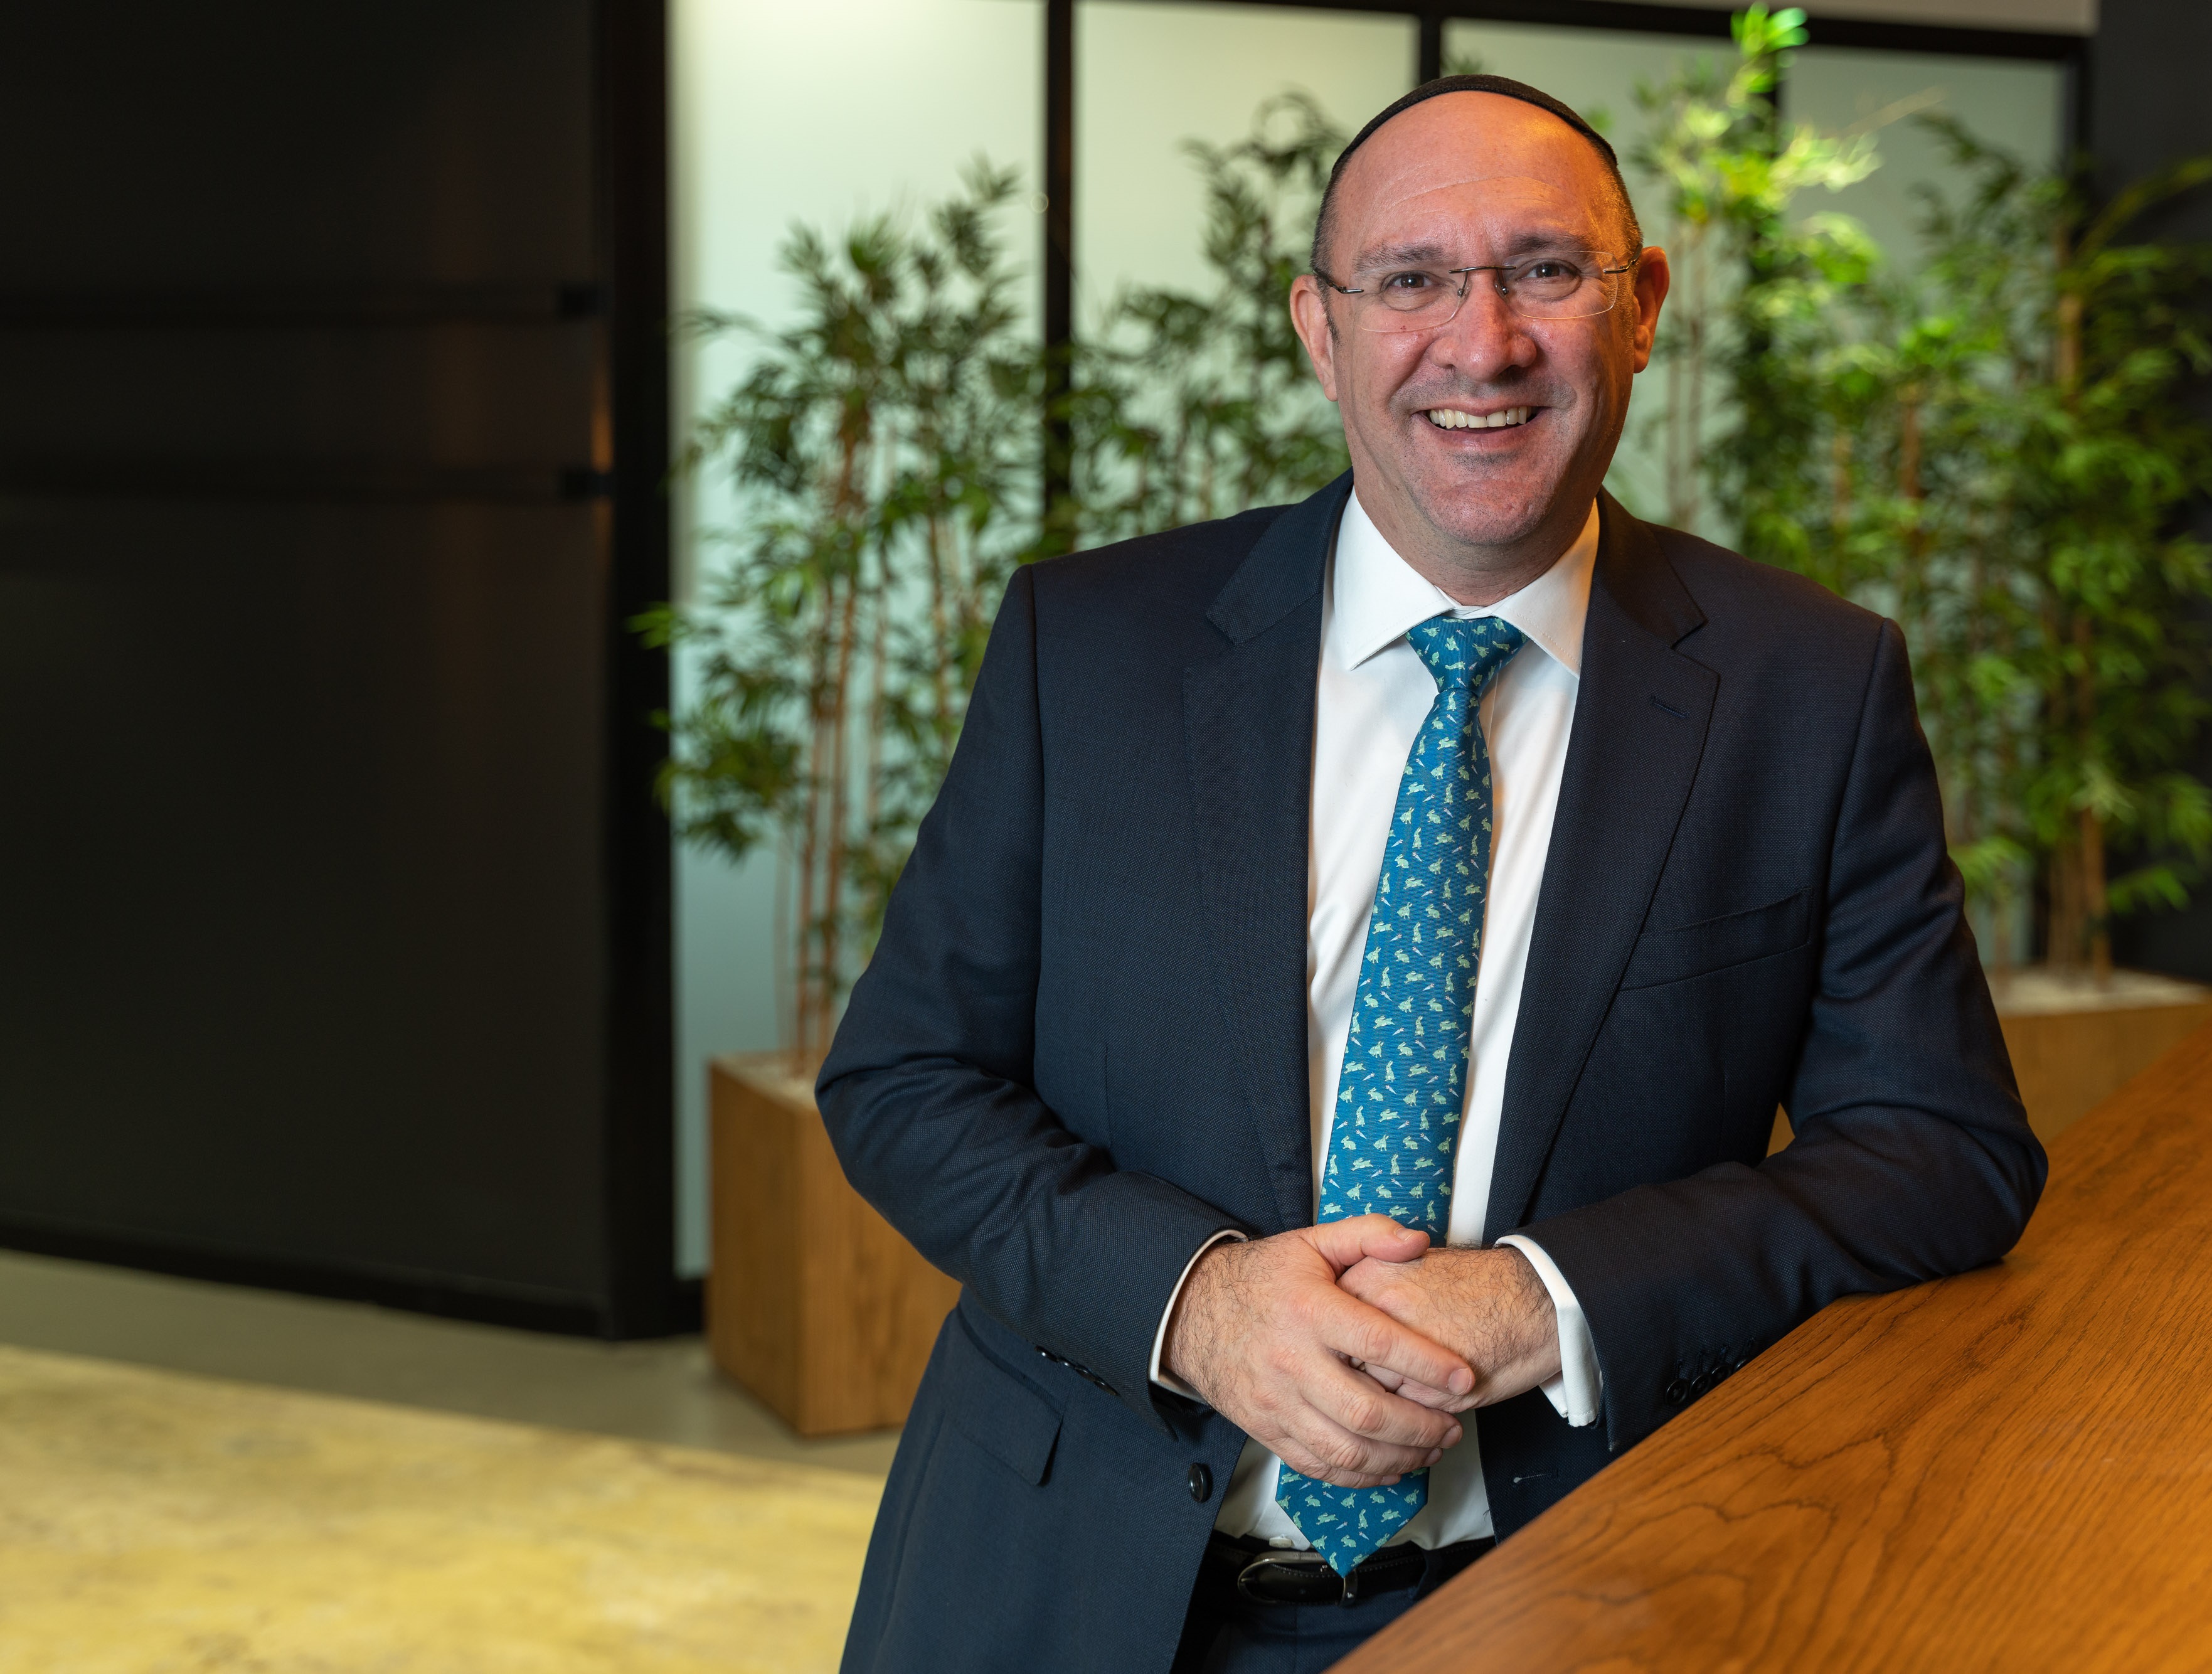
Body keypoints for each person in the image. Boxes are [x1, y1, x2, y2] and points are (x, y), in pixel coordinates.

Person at [819, 75, 2045, 1674]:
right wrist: (1194, 1302)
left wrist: (1550, 1297)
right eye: (1409, 280)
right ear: (1319, 332)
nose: (1483, 344)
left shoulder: (1806, 687)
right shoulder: (1090, 645)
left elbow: (1940, 1151)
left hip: (1572, 1595)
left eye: (1544, 269)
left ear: (1640, 308)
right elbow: (904, 1077)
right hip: (1056, 1586)